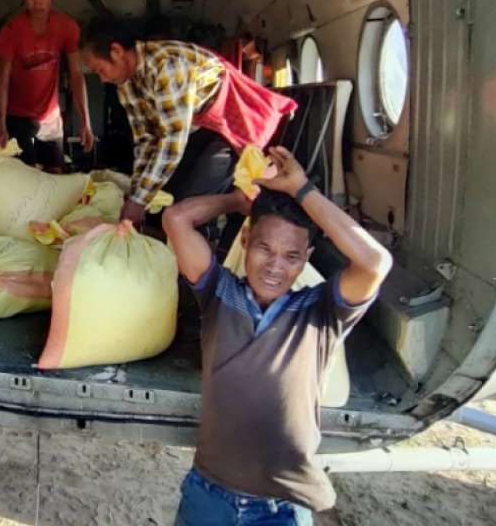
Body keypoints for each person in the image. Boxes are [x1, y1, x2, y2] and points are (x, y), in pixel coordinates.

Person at [161, 146, 392, 525]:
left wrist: (302, 190)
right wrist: (238, 200)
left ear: (307, 257)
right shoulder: (219, 293)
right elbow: (176, 218)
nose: (275, 266)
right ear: (246, 240)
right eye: (265, 248)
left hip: (280, 508)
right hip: (207, 495)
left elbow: (375, 263)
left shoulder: (322, 314)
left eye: (292, 256)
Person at [81, 18, 298, 228]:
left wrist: (139, 201)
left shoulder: (166, 66)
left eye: (100, 70)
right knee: (172, 192)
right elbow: (146, 140)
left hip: (232, 124)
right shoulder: (126, 85)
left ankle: (205, 247)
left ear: (117, 52)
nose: (102, 79)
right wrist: (136, 193)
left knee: (190, 204)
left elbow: (172, 139)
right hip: (203, 126)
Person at [0, 0, 93, 171]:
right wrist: (1, 127)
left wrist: (86, 121)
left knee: (55, 173)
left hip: (50, 117)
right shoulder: (11, 30)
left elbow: (76, 76)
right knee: (26, 174)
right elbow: (1, 82)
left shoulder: (67, 27)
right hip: (17, 115)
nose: (36, 3)